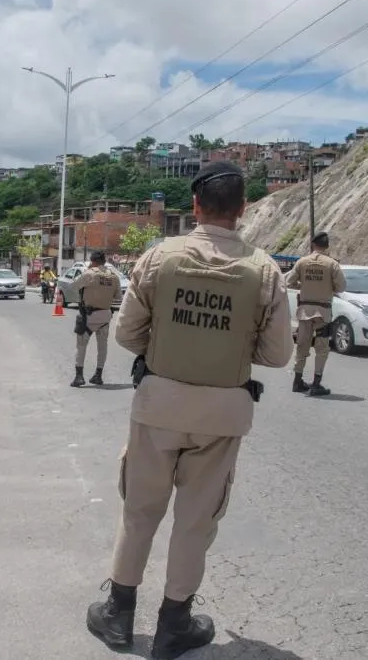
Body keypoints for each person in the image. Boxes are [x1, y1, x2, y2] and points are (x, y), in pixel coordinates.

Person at [85, 160, 294, 659]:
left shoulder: (159, 259)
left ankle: (118, 614)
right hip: (222, 415)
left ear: (195, 206)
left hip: (158, 407)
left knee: (140, 511)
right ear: (242, 210)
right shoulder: (264, 271)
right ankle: (174, 623)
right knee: (196, 521)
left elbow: (127, 335)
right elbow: (278, 354)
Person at [287, 231, 346, 396]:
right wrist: (327, 287)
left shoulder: (302, 262)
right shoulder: (332, 264)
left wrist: (304, 286)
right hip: (323, 313)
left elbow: (289, 281)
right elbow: (341, 287)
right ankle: (316, 384)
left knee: (302, 346)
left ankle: (297, 382)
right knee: (322, 349)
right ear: (327, 247)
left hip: (305, 311)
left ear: (313, 245)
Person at [67, 250, 122, 387]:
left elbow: (74, 286)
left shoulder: (89, 274)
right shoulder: (114, 277)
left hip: (89, 316)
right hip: (105, 315)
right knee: (102, 346)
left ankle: (79, 377)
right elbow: (118, 297)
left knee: (81, 346)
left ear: (92, 261)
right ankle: (98, 375)